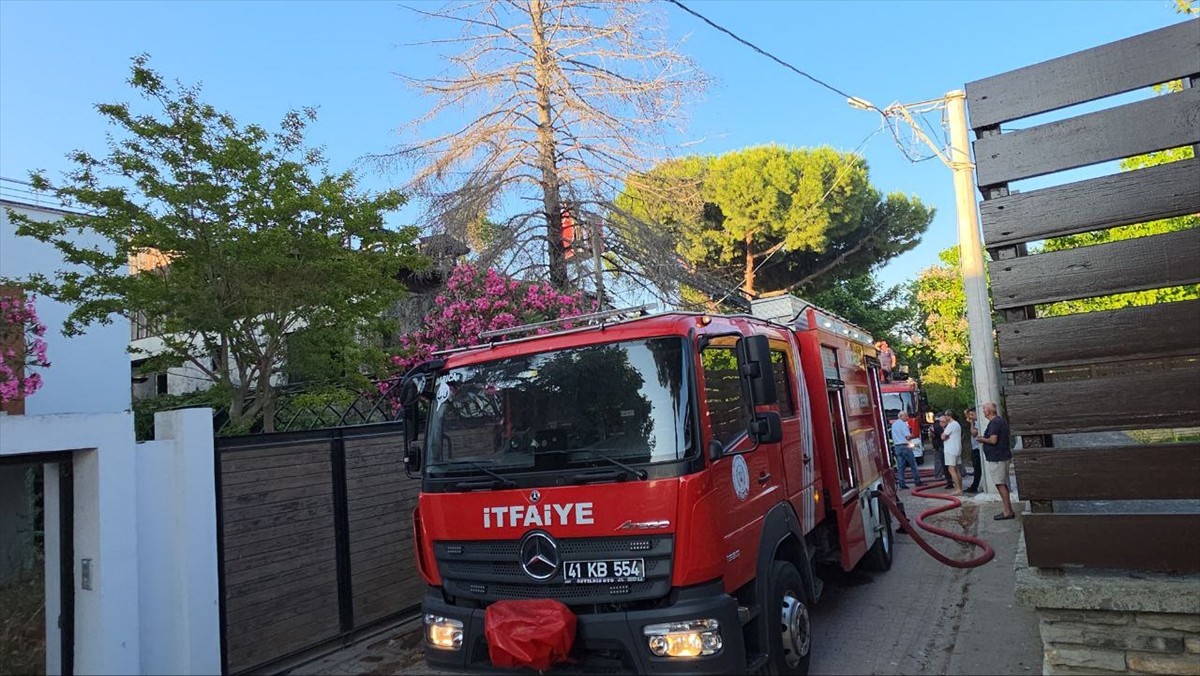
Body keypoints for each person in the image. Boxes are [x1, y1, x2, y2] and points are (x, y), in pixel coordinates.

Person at [976, 401, 1015, 519]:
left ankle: (1008, 511)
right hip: (1001, 456)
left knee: (1000, 484)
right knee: (1001, 483)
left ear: (989, 411)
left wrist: (982, 439)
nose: (983, 412)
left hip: (998, 458)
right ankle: (1008, 509)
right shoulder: (999, 421)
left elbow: (993, 440)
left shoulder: (995, 423)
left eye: (984, 409)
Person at [890, 411, 922, 489]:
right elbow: (907, 437)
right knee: (913, 464)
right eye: (906, 416)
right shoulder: (903, 425)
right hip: (905, 446)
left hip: (897, 447)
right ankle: (917, 481)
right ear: (901, 416)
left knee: (900, 466)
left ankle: (902, 483)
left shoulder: (894, 425)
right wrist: (914, 435)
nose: (907, 418)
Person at [940, 410, 963, 496]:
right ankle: (960, 488)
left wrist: (945, 436)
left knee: (951, 469)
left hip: (950, 449)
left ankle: (957, 489)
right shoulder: (957, 424)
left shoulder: (951, 425)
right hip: (957, 448)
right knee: (956, 469)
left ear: (949, 416)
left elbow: (943, 436)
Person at [964, 407, 983, 493]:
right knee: (976, 468)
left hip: (978, 448)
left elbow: (973, 433)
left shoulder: (978, 422)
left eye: (972, 414)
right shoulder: (975, 422)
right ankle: (975, 486)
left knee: (977, 468)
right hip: (975, 447)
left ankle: (974, 487)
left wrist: (971, 424)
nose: (970, 417)